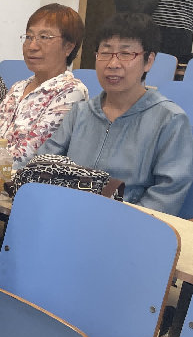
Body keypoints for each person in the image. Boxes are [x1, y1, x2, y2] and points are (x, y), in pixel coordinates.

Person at [38, 13, 193, 216]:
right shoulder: (81, 112)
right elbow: (44, 163)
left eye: (126, 54)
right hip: (67, 214)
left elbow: (166, 196)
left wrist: (119, 223)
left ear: (148, 61)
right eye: (105, 53)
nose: (113, 64)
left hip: (129, 224)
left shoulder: (170, 120)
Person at [0, 3, 88, 168]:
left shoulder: (71, 91)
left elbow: (28, 154)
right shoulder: (18, 88)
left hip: (21, 179)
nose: (32, 46)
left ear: (68, 47)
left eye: (44, 37)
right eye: (29, 37)